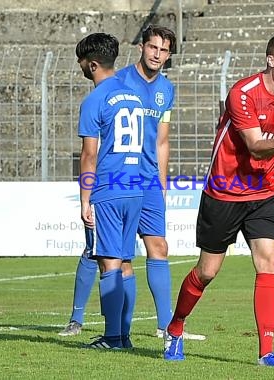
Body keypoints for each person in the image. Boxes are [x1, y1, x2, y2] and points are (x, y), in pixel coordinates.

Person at [163, 32, 274, 368]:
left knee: (269, 262)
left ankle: (266, 352)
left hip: (265, 194)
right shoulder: (242, 94)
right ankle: (176, 326)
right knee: (208, 271)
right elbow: (257, 145)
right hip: (225, 193)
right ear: (271, 60)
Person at [60, 25, 205, 342]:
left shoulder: (165, 90)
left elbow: (162, 140)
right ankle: (82, 319)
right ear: (141, 47)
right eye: (153, 47)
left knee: (148, 249)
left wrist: (162, 182)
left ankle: (158, 327)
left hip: (141, 180)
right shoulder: (122, 82)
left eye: (164, 50)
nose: (158, 54)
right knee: (105, 254)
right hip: (124, 177)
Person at [76, 32, 145, 349]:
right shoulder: (134, 95)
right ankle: (124, 335)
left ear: (91, 65)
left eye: (80, 62)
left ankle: (113, 337)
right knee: (127, 262)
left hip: (108, 187)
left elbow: (89, 154)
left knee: (108, 262)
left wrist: (85, 198)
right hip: (134, 186)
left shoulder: (95, 99)